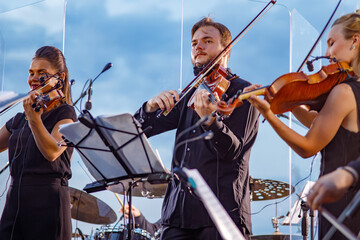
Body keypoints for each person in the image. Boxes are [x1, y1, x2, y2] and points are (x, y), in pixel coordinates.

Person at [134, 17, 259, 240]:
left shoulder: (245, 93)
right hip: (177, 215)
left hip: (222, 216)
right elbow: (138, 131)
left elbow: (234, 151)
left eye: (207, 41)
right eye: (194, 43)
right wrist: (149, 106)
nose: (198, 46)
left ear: (226, 50)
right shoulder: (188, 94)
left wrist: (210, 119)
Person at [247, 11, 360, 239]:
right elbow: (323, 125)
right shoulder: (353, 89)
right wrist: (291, 101)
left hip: (341, 202)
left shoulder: (343, 92)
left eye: (332, 43)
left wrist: (269, 114)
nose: (327, 53)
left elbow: (308, 146)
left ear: (355, 41)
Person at [0, 46, 77, 240]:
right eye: (31, 73)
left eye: (42, 73)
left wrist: (34, 119)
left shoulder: (66, 114)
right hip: (15, 203)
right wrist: (29, 115)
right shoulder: (19, 119)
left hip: (48, 205)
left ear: (61, 78)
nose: (34, 78)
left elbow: (52, 151)